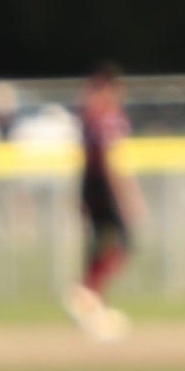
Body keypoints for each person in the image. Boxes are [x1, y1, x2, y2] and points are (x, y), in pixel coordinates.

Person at [68, 59, 141, 336]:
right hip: (104, 186)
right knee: (122, 245)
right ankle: (87, 291)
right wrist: (127, 195)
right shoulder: (109, 117)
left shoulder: (88, 116)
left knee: (97, 245)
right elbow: (112, 159)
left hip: (90, 185)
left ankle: (91, 304)